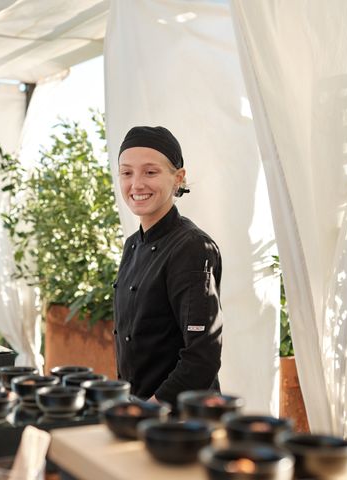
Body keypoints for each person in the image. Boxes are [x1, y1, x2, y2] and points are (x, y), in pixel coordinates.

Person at [114, 126, 223, 406]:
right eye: (127, 173)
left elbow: (202, 357)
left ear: (178, 178)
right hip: (138, 410)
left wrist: (151, 410)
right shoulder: (132, 245)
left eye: (150, 172)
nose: (136, 184)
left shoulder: (192, 247)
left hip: (180, 423)